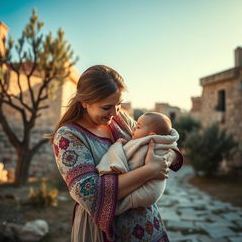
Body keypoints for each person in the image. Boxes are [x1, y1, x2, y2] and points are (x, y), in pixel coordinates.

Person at [50, 65, 183, 242]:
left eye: (118, 104)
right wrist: (149, 170)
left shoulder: (120, 119)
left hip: (146, 226)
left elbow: (162, 139)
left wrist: (166, 158)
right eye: (106, 107)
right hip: (103, 231)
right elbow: (88, 193)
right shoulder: (68, 136)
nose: (114, 113)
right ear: (85, 102)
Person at [96, 112, 179, 215]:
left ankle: (113, 212)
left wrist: (117, 146)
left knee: (122, 205)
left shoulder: (145, 143)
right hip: (152, 193)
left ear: (152, 135)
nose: (134, 129)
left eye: (137, 127)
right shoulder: (156, 139)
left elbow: (124, 159)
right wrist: (152, 168)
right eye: (106, 107)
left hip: (147, 191)